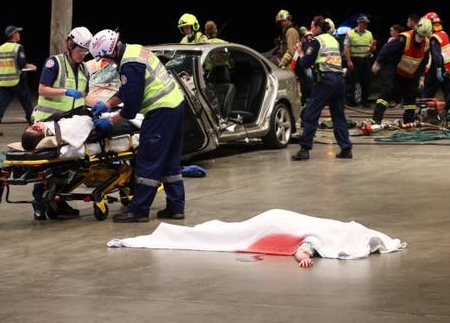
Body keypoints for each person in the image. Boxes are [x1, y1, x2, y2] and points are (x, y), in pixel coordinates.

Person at [89, 29, 186, 223]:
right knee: (169, 160)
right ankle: (176, 207)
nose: (105, 63)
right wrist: (107, 104)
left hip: (161, 111)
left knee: (148, 159)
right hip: (175, 105)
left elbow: (130, 109)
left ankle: (139, 210)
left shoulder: (130, 64)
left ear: (110, 52)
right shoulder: (134, 51)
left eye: (104, 59)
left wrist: (110, 122)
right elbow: (127, 91)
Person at [106, 209, 406, 269]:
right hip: (273, 223)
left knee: (221, 232)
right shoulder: (329, 234)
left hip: (276, 218)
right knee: (222, 236)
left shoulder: (335, 227)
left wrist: (303, 253)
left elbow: (309, 241)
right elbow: (308, 243)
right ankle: (155, 236)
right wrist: (303, 255)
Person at [30, 27, 104, 220]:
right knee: (46, 165)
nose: (82, 54)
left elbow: (84, 97)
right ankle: (39, 202)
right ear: (69, 45)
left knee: (68, 164)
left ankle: (58, 201)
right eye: (79, 50)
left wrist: (104, 105)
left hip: (70, 124)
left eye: (85, 51)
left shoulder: (84, 69)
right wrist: (64, 91)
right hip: (48, 123)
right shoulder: (54, 63)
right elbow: (42, 89)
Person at [292, 16, 353, 161]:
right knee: (338, 116)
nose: (310, 29)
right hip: (339, 80)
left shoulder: (316, 41)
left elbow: (305, 63)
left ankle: (304, 150)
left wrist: (300, 51)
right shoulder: (333, 40)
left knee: (310, 115)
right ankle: (346, 149)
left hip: (325, 81)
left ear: (318, 28)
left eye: (312, 27)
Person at [371, 17, 432, 124]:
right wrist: (378, 62)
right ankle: (376, 119)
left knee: (411, 95)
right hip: (394, 67)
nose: (421, 38)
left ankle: (409, 120)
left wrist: (421, 77)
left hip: (409, 72)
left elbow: (424, 61)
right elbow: (387, 49)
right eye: (420, 35)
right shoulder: (404, 38)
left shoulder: (426, 43)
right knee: (387, 91)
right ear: (416, 29)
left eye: (423, 36)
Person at [0, 26, 37, 136]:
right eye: (17, 33)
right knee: (27, 103)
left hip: (4, 81)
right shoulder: (17, 47)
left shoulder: (0, 49)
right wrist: (32, 67)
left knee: (0, 105)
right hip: (17, 80)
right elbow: (21, 64)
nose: (19, 35)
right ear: (13, 35)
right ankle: (33, 124)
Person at [422, 12, 450, 99]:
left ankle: (425, 111)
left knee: (428, 93)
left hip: (436, 68)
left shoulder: (434, 37)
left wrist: (438, 69)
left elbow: (436, 55)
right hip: (449, 67)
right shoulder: (444, 34)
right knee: (449, 91)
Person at [343, 15, 377, 107]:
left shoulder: (369, 34)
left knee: (366, 81)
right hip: (354, 60)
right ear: (359, 23)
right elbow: (346, 48)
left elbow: (372, 50)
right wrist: (349, 61)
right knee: (351, 81)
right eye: (365, 23)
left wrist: (373, 46)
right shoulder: (350, 33)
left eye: (367, 24)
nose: (366, 25)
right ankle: (350, 100)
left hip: (365, 59)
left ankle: (364, 100)